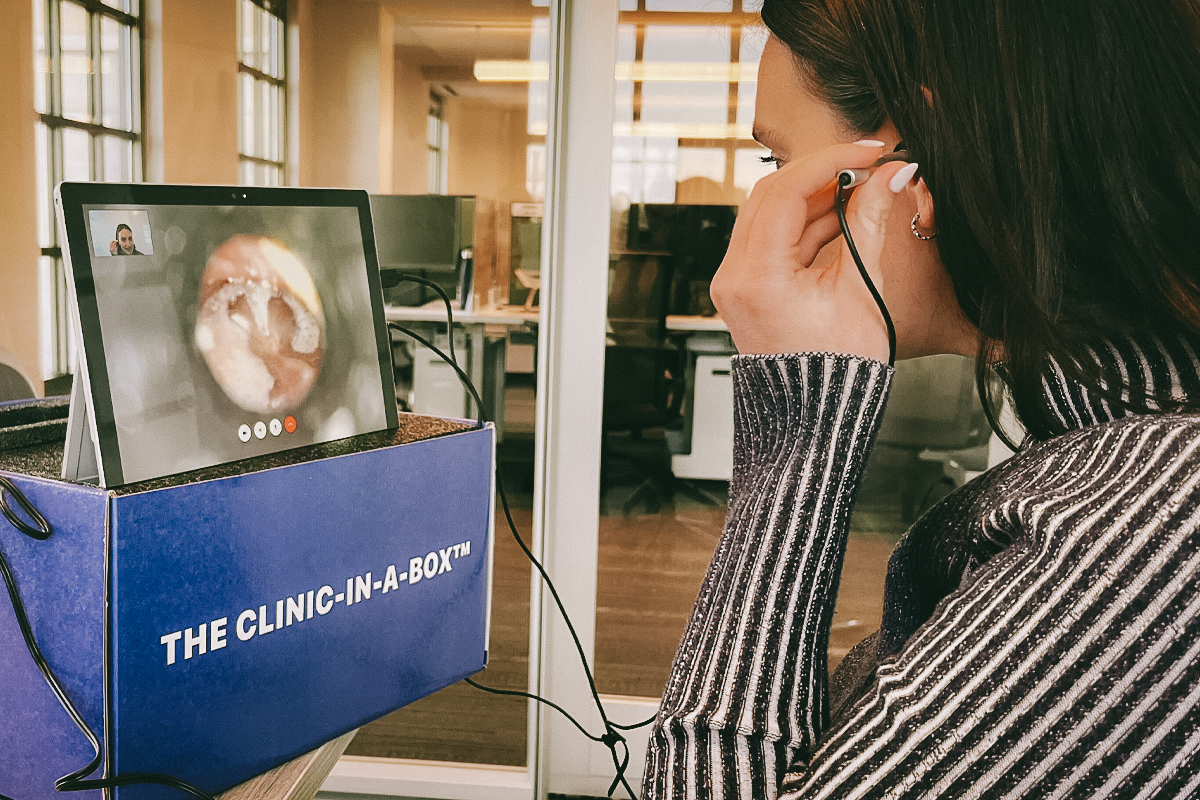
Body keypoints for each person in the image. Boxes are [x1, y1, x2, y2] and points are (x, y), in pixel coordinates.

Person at [643, 0, 1200, 797]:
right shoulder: (1120, 455)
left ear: (929, 163)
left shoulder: (1159, 527)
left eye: (780, 167)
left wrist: (798, 430)